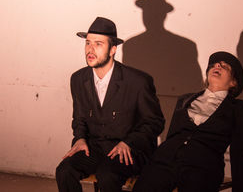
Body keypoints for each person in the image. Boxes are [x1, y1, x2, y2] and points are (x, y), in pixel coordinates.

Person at [56, 17, 165, 192]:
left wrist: (128, 143)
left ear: (113, 49)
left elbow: (154, 122)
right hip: (95, 148)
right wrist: (80, 138)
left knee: (107, 175)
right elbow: (79, 117)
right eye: (88, 43)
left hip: (130, 150)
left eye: (98, 44)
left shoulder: (138, 81)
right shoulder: (78, 79)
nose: (90, 50)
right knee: (64, 171)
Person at [133, 51, 243, 192]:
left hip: (203, 167)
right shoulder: (185, 99)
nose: (217, 67)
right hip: (165, 160)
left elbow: (239, 154)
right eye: (214, 65)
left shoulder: (239, 109)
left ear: (234, 82)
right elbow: (172, 134)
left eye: (224, 67)